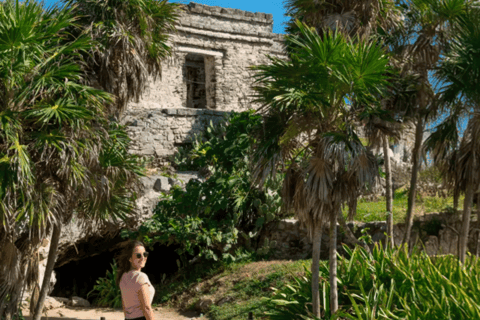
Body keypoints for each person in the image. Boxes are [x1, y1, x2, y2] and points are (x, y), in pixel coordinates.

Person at [116, 240, 155, 320]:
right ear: (130, 258)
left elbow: (124, 306)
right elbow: (146, 308)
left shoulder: (123, 277)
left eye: (145, 254)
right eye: (138, 255)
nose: (143, 258)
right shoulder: (140, 277)